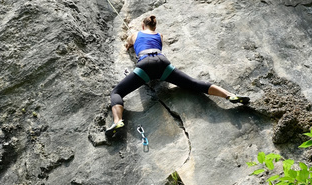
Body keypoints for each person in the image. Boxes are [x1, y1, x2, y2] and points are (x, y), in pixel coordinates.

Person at [106, 14, 249, 136]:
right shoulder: (159, 36)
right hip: (163, 64)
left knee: (117, 92)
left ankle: (118, 121)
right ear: (154, 27)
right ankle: (229, 95)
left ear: (143, 26)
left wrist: (130, 41)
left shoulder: (135, 34)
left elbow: (128, 45)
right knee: (194, 84)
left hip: (146, 66)